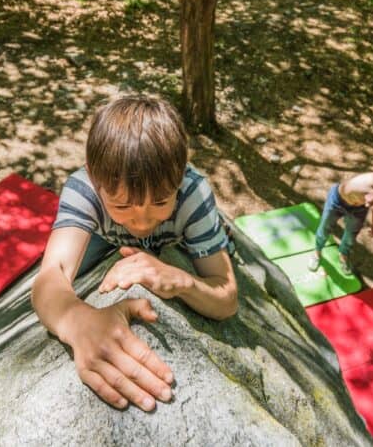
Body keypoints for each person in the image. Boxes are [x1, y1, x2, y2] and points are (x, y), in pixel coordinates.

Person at [31, 95, 238, 413]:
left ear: (180, 175)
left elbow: (226, 298)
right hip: (105, 239)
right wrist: (77, 322)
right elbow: (51, 274)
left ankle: (222, 237)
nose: (141, 222)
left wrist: (182, 280)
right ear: (93, 177)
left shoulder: (193, 193)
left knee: (216, 243)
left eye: (160, 203)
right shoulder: (83, 189)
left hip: (181, 238)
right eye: (123, 205)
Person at [308, 170, 373, 275]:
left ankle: (343, 255)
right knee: (325, 228)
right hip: (337, 201)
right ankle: (317, 252)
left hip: (359, 208)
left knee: (351, 235)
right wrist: (372, 200)